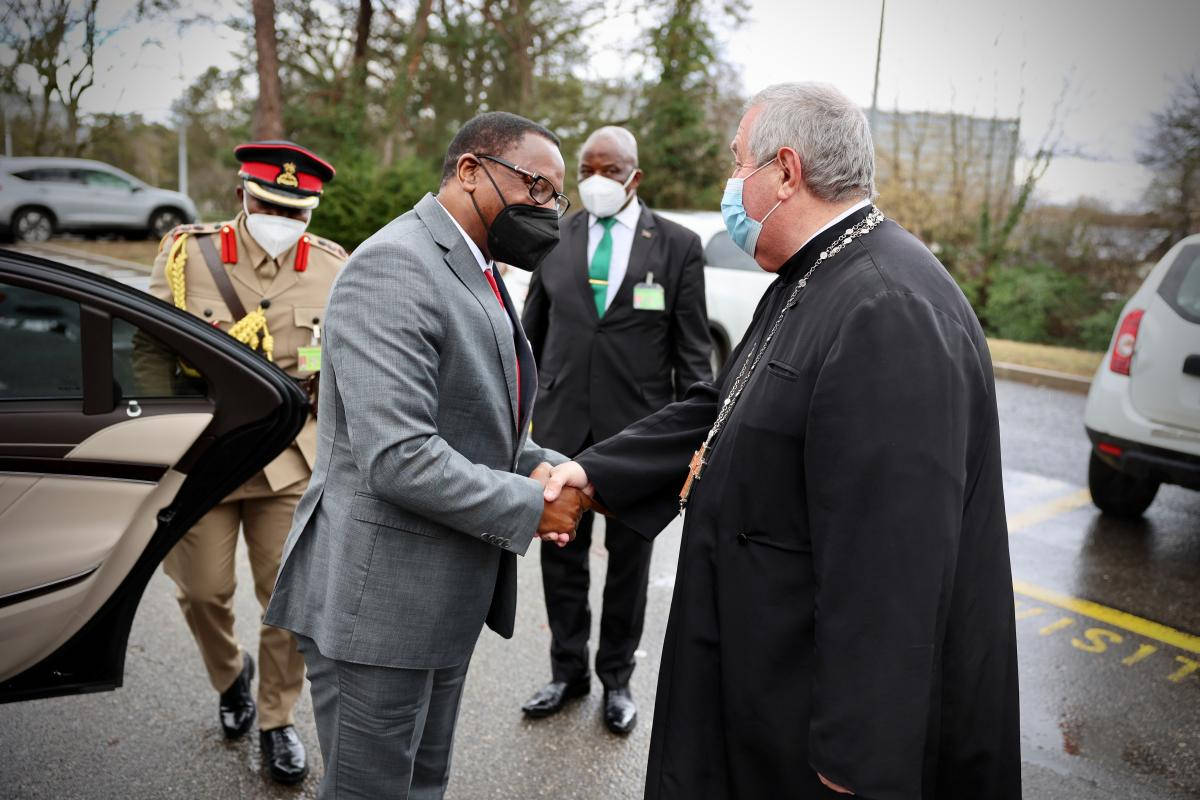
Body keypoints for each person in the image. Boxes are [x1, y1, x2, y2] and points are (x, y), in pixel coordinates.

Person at [542, 83, 1021, 799]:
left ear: (786, 171)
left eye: (738, 165)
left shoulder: (888, 307)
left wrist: (855, 760)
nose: (729, 186)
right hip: (755, 682)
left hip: (807, 739)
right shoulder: (817, 274)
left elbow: (893, 569)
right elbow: (723, 405)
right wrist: (592, 474)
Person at [264, 111, 592, 800]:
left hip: (440, 598)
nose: (548, 210)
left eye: (557, 197)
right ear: (470, 170)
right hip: (378, 612)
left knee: (422, 786)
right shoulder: (394, 265)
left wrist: (544, 465)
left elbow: (481, 423)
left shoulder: (480, 270)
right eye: (537, 187)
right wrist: (533, 503)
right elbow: (400, 456)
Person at [141, 141, 348, 784]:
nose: (282, 219)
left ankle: (276, 719)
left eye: (298, 211)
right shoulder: (187, 256)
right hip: (206, 454)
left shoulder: (334, 267)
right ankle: (231, 677)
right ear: (242, 198)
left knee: (288, 598)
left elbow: (341, 368)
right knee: (202, 589)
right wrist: (160, 436)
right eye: (268, 205)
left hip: (290, 460)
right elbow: (149, 352)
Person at [520, 126, 712, 734]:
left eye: (609, 169)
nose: (595, 181)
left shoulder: (678, 245)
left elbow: (693, 354)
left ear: (636, 176)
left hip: (638, 437)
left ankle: (617, 681)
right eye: (586, 168)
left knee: (629, 566)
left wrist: (695, 439)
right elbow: (532, 337)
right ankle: (566, 671)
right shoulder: (554, 235)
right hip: (562, 428)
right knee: (560, 556)